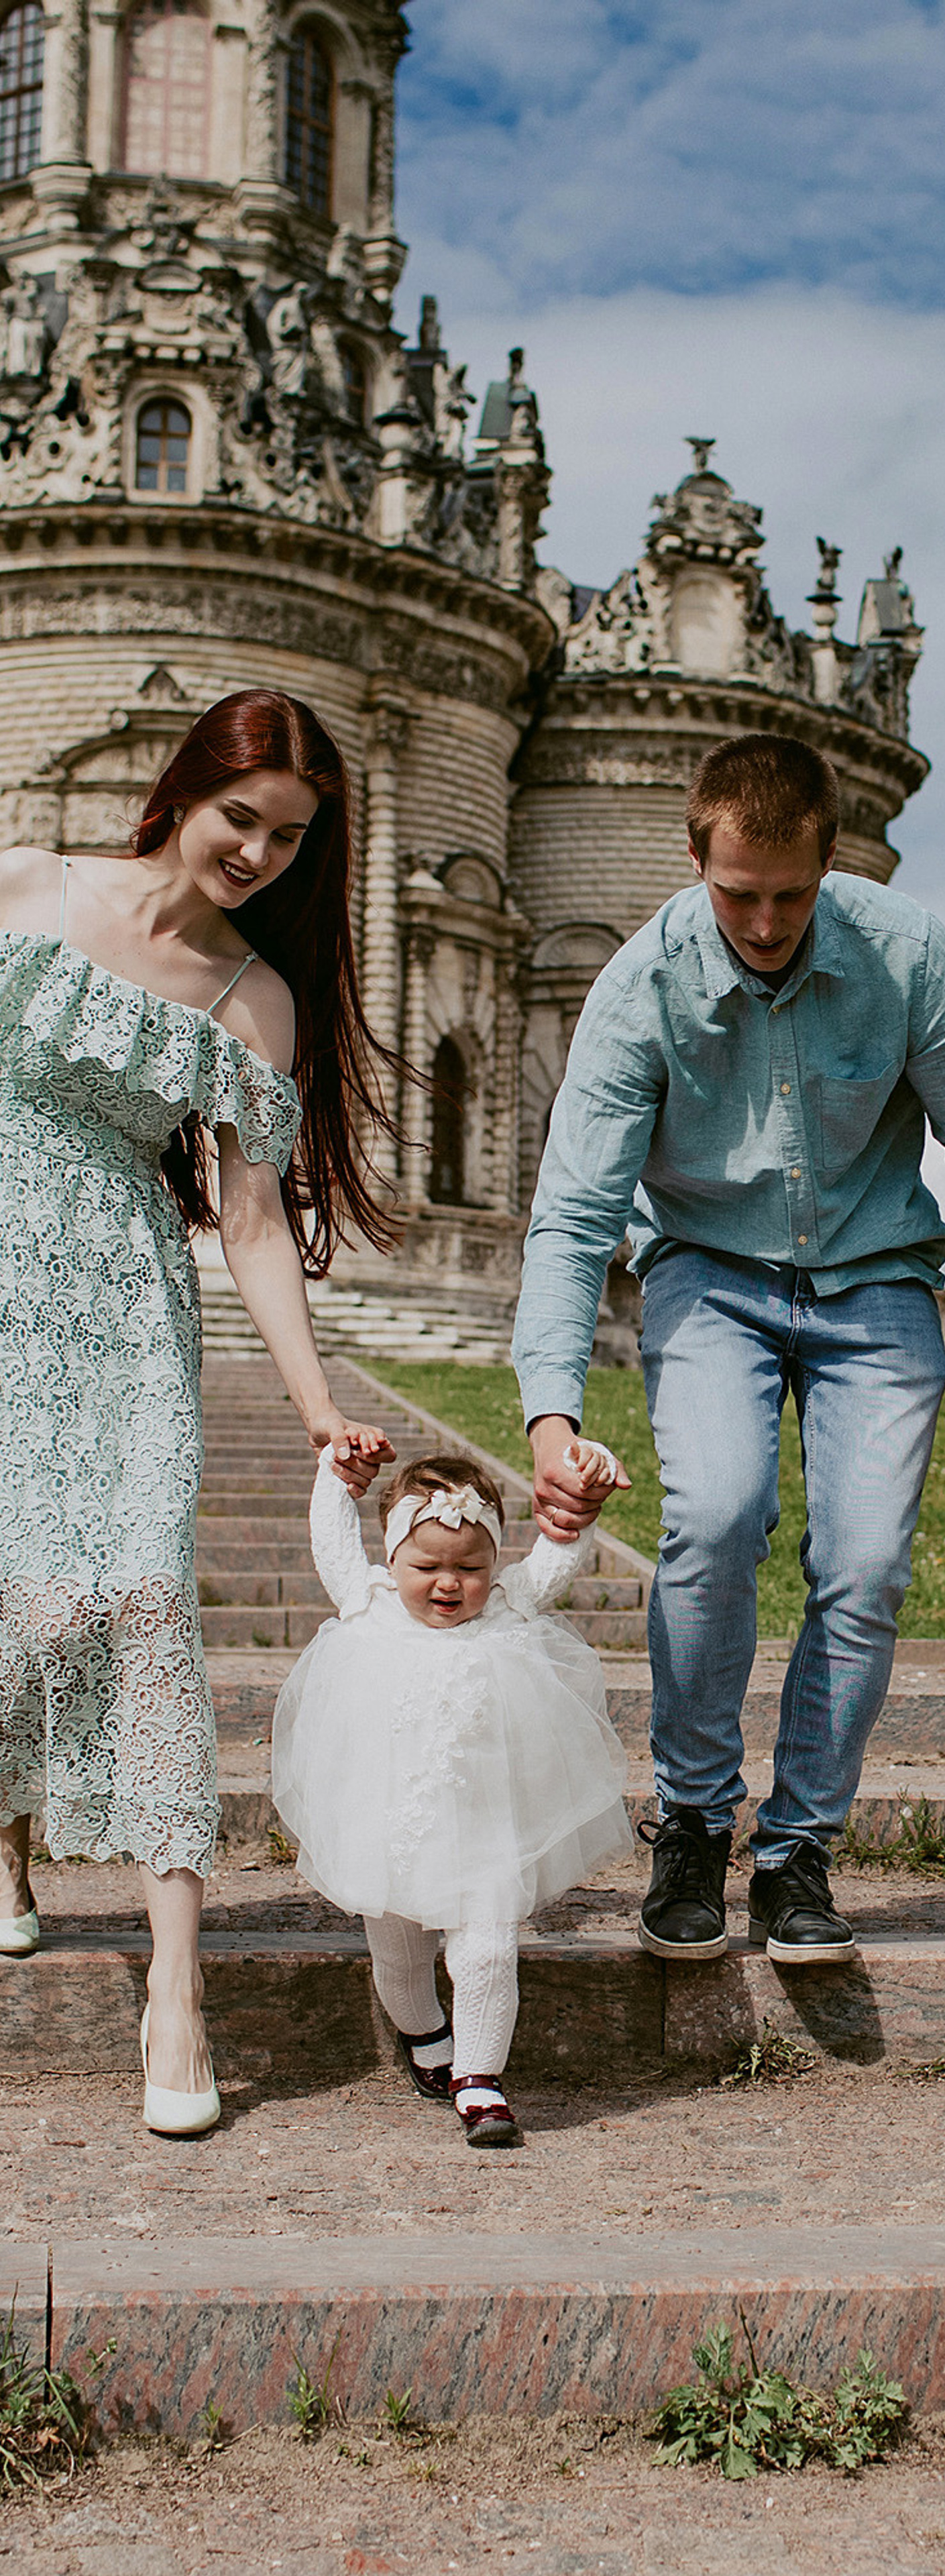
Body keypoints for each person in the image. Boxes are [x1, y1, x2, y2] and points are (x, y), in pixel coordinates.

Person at [514, 732, 945, 1969]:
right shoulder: (640, 983)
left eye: (792, 895)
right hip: (709, 1274)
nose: (765, 922)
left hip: (877, 1286)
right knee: (715, 1518)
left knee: (862, 1566)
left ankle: (799, 1850)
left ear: (830, 862)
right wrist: (552, 1410)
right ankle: (696, 1825)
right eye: (738, 894)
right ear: (697, 856)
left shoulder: (906, 953)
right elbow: (575, 1213)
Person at [0, 689, 398, 2138]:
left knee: (141, 1607)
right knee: (19, 1602)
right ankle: (11, 1849)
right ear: (185, 793)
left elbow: (247, 1220)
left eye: (291, 840)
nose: (260, 855)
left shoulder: (254, 1001)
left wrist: (315, 1408)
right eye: (245, 820)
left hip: (120, 1311)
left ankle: (179, 1986)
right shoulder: (29, 884)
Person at [272, 1444, 633, 2145]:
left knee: (489, 1950)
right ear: (392, 1561)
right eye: (427, 1567)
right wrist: (335, 1473)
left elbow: (559, 1555)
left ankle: (480, 2079)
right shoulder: (367, 1604)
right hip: (388, 1827)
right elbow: (332, 1538)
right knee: (400, 1959)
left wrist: (582, 1493)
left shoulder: (506, 1605)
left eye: (469, 1568)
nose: (449, 1584)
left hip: (485, 1826)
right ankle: (424, 2035)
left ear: (493, 1567)